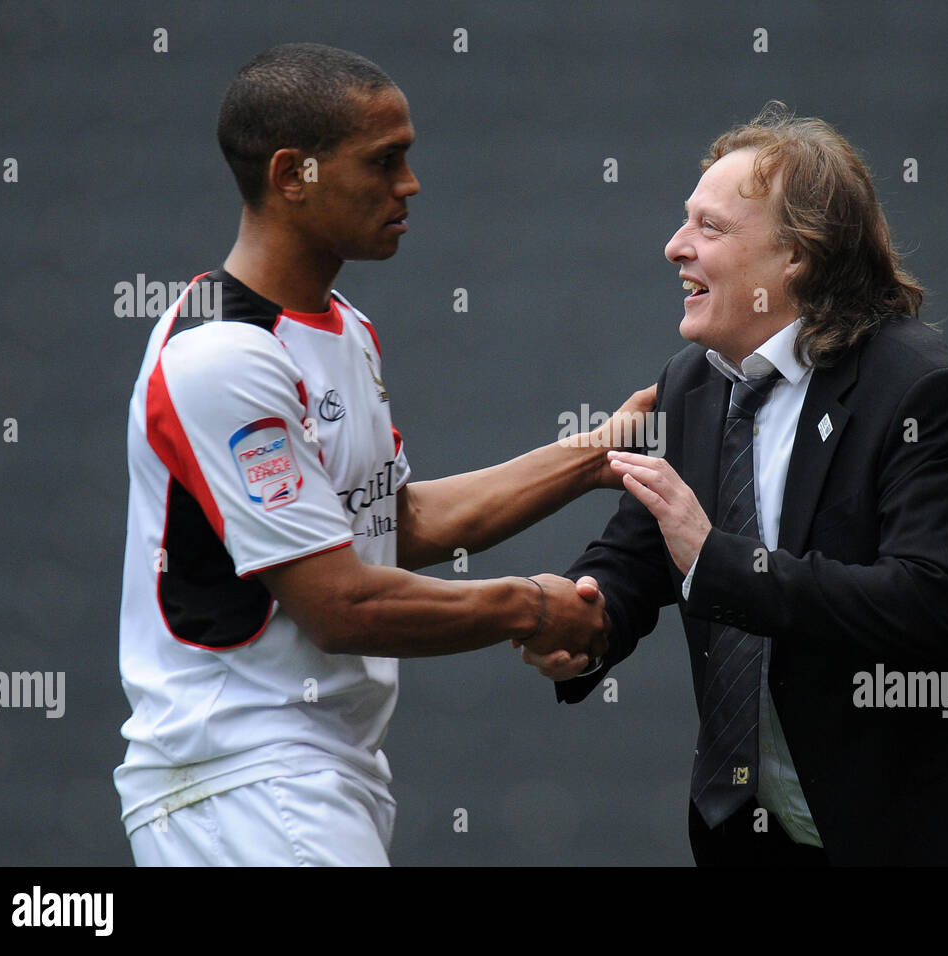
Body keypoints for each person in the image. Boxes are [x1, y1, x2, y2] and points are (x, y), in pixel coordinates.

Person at [522, 104, 948, 866]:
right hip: (771, 840)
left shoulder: (925, 393)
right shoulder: (692, 384)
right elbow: (637, 554)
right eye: (682, 222)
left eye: (710, 227)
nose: (675, 247)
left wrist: (717, 559)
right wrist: (582, 619)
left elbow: (921, 603)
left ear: (797, 253)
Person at [114, 42, 648, 866]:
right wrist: (531, 606)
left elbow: (389, 523)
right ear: (294, 175)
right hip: (241, 782)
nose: (410, 185)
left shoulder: (345, 328)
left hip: (316, 774)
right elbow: (341, 606)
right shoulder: (222, 355)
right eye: (384, 160)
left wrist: (600, 452)